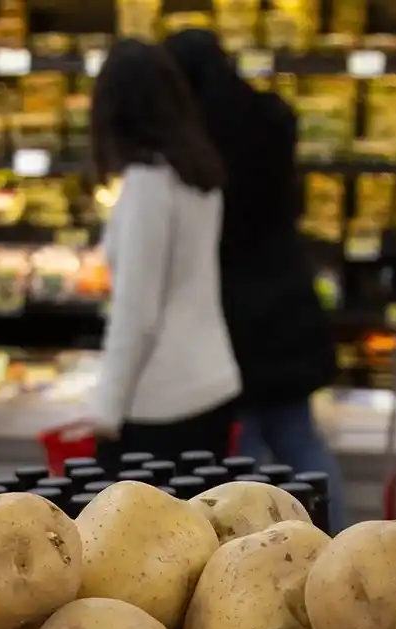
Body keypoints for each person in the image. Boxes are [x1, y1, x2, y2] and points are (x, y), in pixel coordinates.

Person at [164, 30, 345, 529]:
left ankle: (245, 548)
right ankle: (336, 539)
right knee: (300, 439)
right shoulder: (272, 118)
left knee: (239, 449)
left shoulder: (193, 140)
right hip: (288, 296)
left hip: (231, 311)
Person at [88, 39, 240, 471]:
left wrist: (106, 409)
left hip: (161, 401)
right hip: (212, 381)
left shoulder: (147, 184)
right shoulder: (198, 172)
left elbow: (137, 313)